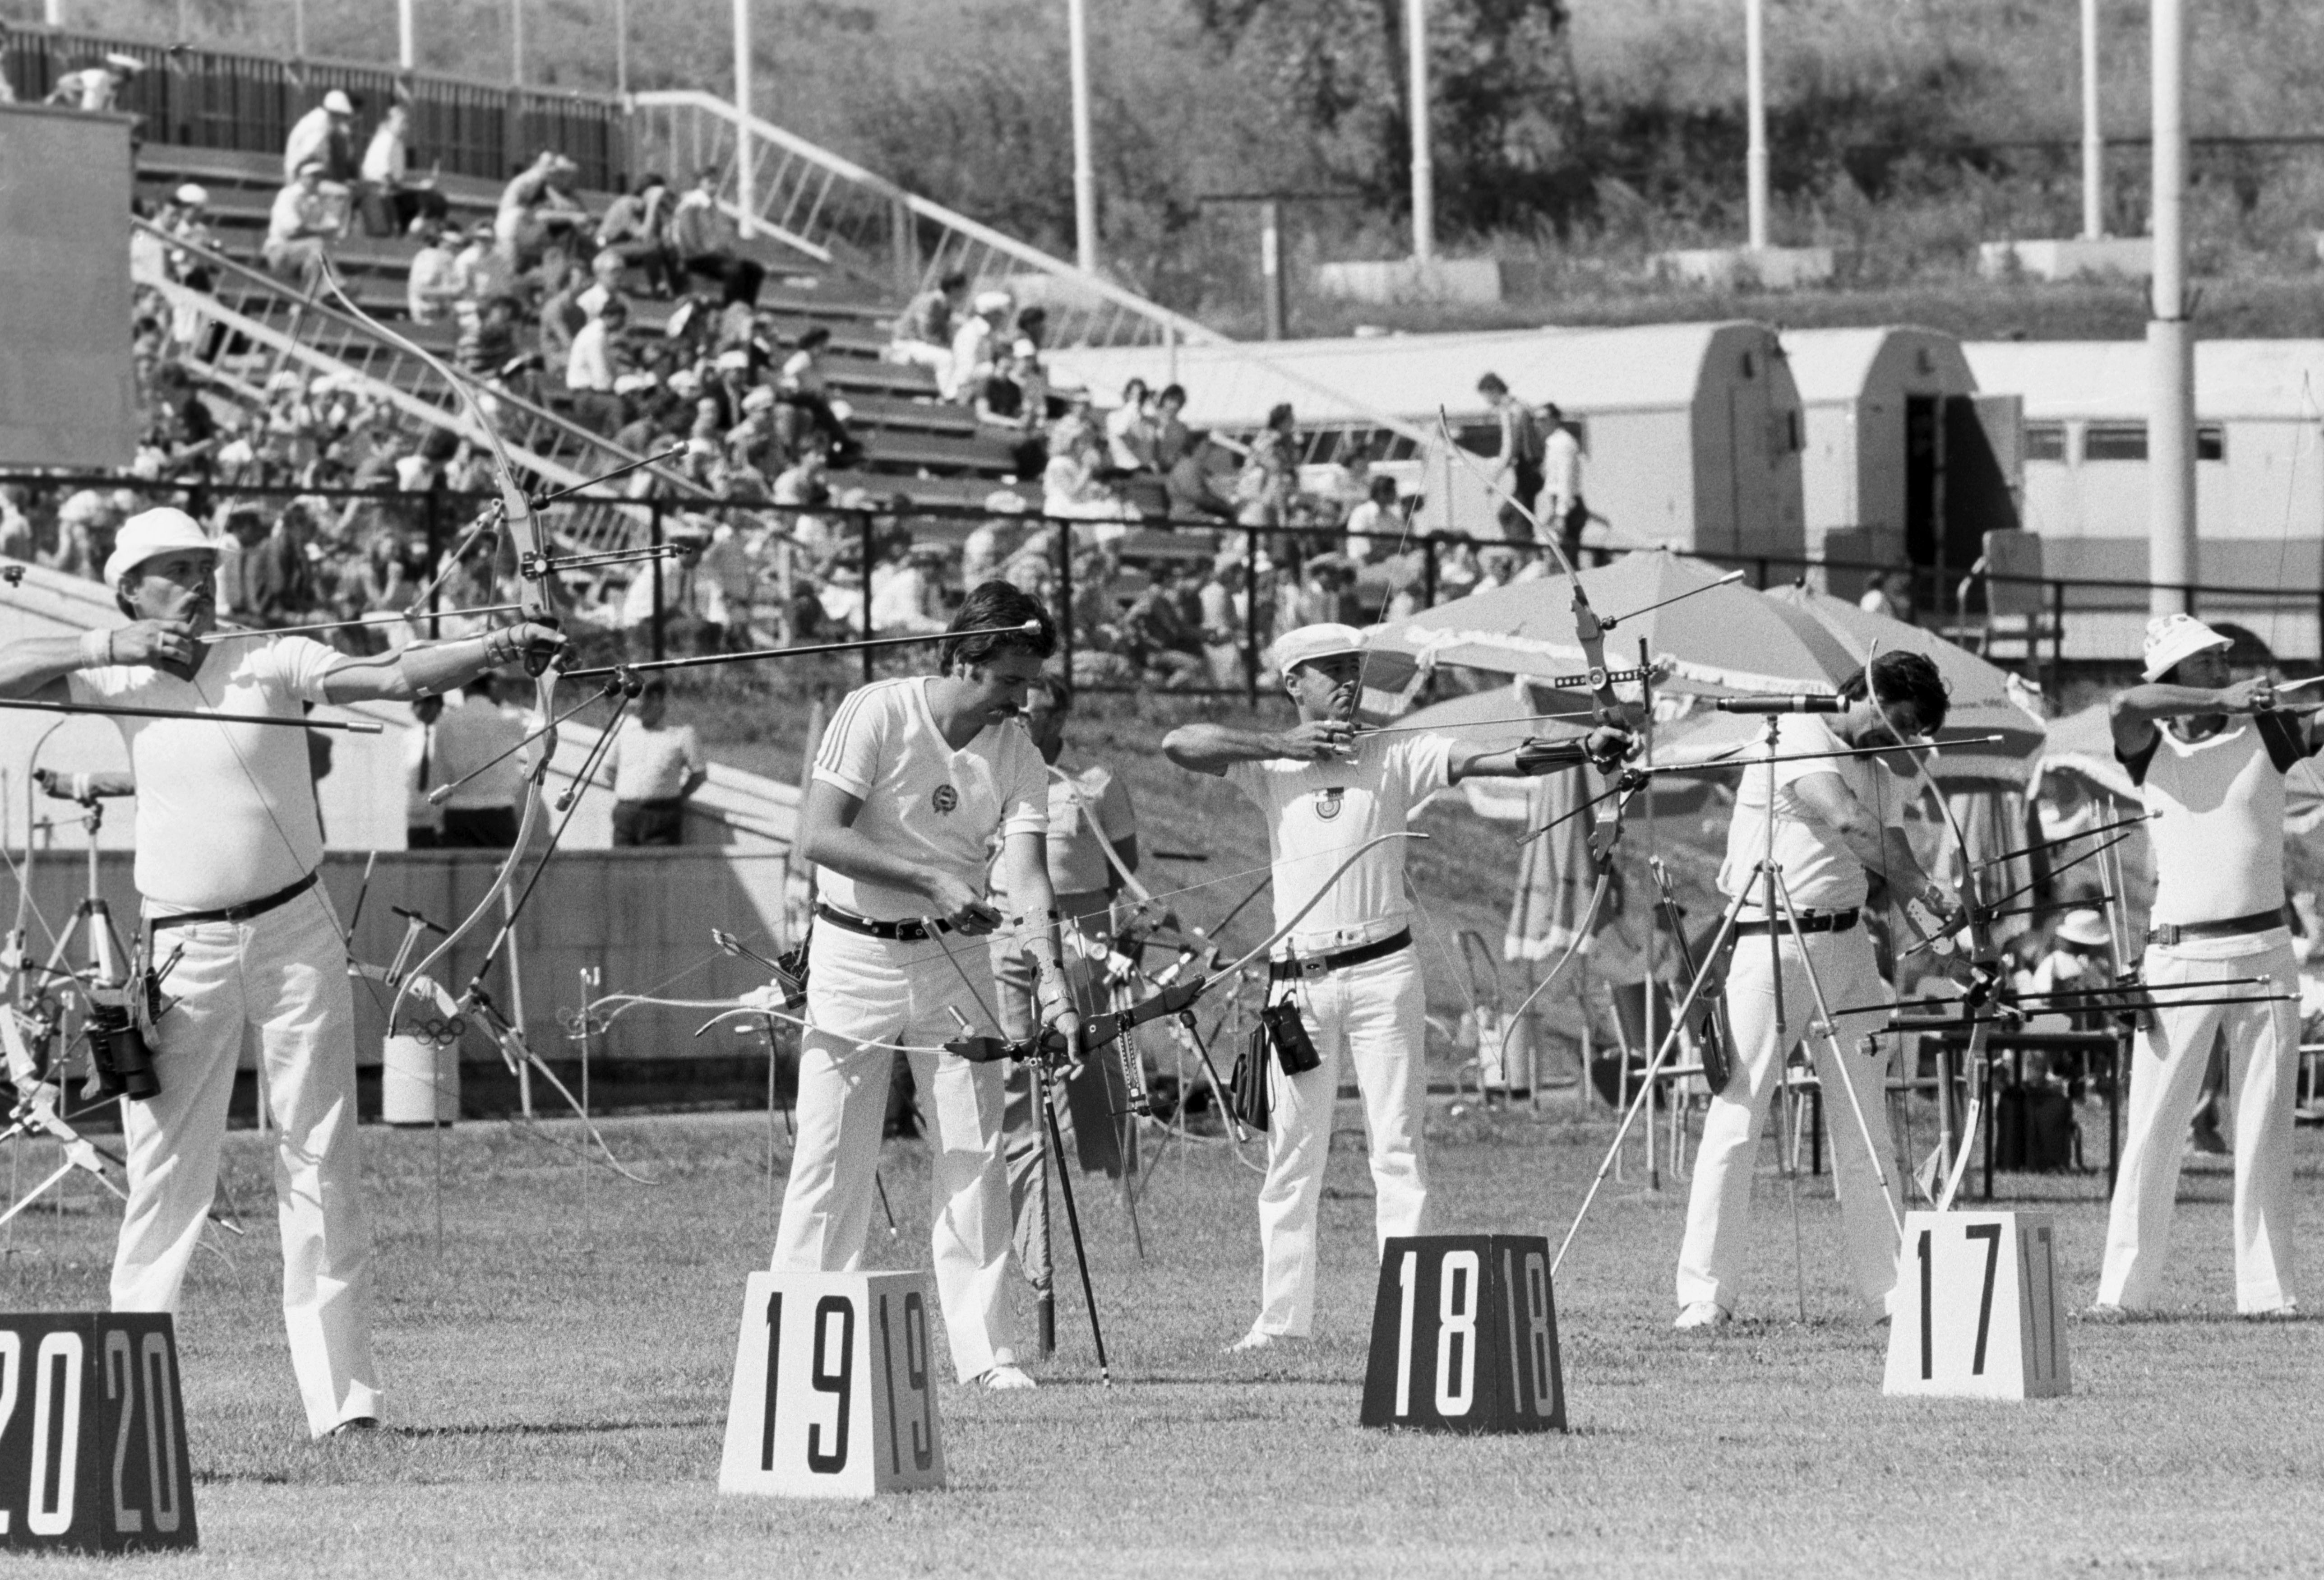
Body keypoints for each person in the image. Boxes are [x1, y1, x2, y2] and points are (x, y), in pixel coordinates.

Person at [0, 507, 563, 1437]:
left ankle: (344, 1406)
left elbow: (385, 673)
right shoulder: (111, 669)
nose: (199, 582)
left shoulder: (267, 657)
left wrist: (492, 643)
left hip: (297, 928)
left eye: (204, 566)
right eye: (174, 570)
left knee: (320, 1158)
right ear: (131, 588)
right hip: (184, 949)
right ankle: (127, 1399)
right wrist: (109, 641)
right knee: (166, 1171)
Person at [1161, 623, 1634, 1349]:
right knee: (1292, 1154)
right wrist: (1281, 746)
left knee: (1398, 1148)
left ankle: (1408, 1316)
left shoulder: (1394, 753)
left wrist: (1581, 746)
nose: (1348, 682)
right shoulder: (1270, 767)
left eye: (1354, 668)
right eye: (1329, 671)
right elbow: (1179, 742)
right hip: (1299, 985)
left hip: (1383, 971)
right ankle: (1280, 1323)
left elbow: (1495, 758)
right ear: (1295, 684)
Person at [770, 582, 1081, 1391]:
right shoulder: (875, 711)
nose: (1020, 699)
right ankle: (804, 1339)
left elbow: (1030, 880)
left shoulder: (1018, 752)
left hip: (956, 962)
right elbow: (818, 836)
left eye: (1027, 683)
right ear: (960, 659)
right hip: (853, 956)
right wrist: (930, 881)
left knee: (974, 1153)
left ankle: (986, 1353)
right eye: (1007, 680)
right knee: (832, 1155)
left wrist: (1055, 984)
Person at [1671, 649, 1958, 1330]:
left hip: (1846, 946)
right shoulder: (1798, 731)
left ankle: (1887, 1292)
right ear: (1872, 693)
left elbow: (1891, 849)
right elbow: (1849, 823)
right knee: (1738, 1118)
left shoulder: (1875, 766)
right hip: (1772, 942)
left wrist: (1940, 918)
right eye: (1903, 722)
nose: (1904, 741)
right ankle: (1704, 1295)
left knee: (1864, 1124)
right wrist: (1922, 888)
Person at [2090, 614, 2311, 1320]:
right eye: (2207, 662)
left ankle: (2266, 1292)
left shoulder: (2270, 733)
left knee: (2265, 1123)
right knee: (2153, 1123)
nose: (2222, 667)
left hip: (2263, 951)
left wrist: (2253, 704)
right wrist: (2224, 700)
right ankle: (2119, 1293)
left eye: (2222, 660)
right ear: (2176, 677)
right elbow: (2122, 706)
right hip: (2178, 955)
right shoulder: (2145, 746)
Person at [985, 675, 1139, 1322]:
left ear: (1062, 719)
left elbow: (1128, 874)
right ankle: (1023, 1228)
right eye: (1016, 711)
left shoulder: (1096, 785)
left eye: (1038, 713)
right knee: (1014, 1072)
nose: (1024, 722)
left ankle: (1109, 1171)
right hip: (1004, 930)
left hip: (1080, 933)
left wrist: (1125, 933)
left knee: (1088, 1061)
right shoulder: (992, 779)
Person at [430, 671, 532, 848]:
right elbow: (541, 733)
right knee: (503, 872)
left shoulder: (446, 722)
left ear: (464, 688)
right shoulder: (507, 718)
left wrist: (438, 820)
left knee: (464, 874)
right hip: (499, 812)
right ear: (491, 686)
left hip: (458, 813)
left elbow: (439, 774)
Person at [601, 678, 707, 846]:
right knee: (621, 867)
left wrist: (677, 798)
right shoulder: (625, 729)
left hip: (662, 816)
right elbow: (609, 770)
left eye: (642, 703)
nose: (636, 710)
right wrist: (629, 793)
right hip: (626, 816)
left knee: (660, 869)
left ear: (656, 700)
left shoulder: (682, 733)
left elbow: (699, 774)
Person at [1478, 373, 1545, 545]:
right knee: (1511, 514)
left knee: (1516, 520)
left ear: (1492, 390)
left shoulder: (1509, 410)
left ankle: (1525, 555)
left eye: (1486, 396)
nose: (1487, 402)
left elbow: (1509, 449)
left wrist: (1493, 479)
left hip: (1527, 470)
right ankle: (1522, 552)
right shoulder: (1522, 406)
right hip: (1534, 470)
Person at [264, 158, 346, 292]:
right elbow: (293, 232)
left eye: (319, 176)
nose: (316, 180)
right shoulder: (288, 196)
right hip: (279, 251)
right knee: (317, 246)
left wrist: (315, 230)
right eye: (312, 176)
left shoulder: (317, 199)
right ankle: (335, 286)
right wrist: (320, 231)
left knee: (315, 261)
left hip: (306, 252)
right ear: (300, 177)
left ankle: (302, 306)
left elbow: (334, 228)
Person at [594, 173, 676, 297]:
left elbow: (660, 239)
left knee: (667, 250)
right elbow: (642, 234)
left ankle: (681, 291)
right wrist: (653, 204)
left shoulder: (648, 210)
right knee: (652, 249)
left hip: (631, 249)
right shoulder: (626, 203)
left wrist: (667, 223)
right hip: (606, 248)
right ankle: (659, 288)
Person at [890, 270, 968, 376]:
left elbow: (945, 337)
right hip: (905, 345)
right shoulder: (929, 301)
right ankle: (950, 393)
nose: (966, 293)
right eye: (964, 289)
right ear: (954, 289)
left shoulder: (946, 306)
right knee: (947, 358)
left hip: (921, 346)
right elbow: (926, 335)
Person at [1542, 403, 1587, 563]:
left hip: (1568, 508)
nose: (1539, 424)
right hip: (1562, 506)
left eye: (1543, 419)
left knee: (1568, 561)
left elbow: (1565, 480)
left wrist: (1561, 514)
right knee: (1563, 558)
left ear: (1554, 420)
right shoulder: (1553, 443)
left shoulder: (1563, 443)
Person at [283, 89, 358, 183]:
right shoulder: (320, 126)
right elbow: (309, 154)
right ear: (334, 113)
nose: (343, 120)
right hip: (302, 177)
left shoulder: (321, 120)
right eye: (342, 116)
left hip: (306, 174)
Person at [405, 692, 446, 849]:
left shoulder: (446, 732)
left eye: (424, 703)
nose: (419, 709)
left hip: (440, 819)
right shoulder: (410, 737)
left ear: (437, 705)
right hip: (416, 819)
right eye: (415, 704)